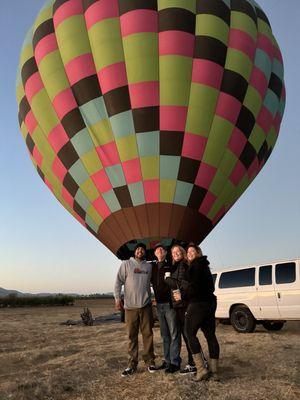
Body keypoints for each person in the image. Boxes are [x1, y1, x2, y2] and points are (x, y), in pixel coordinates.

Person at [114, 243, 156, 377]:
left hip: (145, 306)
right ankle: (132, 364)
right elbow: (118, 282)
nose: (140, 251)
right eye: (138, 249)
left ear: (145, 252)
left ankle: (150, 362)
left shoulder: (149, 266)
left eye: (142, 249)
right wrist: (117, 298)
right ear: (134, 251)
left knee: (148, 335)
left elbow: (156, 282)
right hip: (130, 307)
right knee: (132, 337)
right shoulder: (126, 264)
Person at [182, 243, 220, 381]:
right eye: (188, 251)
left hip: (198, 304)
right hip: (210, 303)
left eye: (193, 250)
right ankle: (215, 371)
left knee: (189, 333)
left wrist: (183, 295)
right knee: (210, 336)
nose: (190, 253)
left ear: (198, 252)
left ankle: (201, 369)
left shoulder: (195, 266)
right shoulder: (205, 266)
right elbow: (210, 287)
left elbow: (194, 288)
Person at [164, 245, 196, 374]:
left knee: (188, 334)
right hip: (178, 305)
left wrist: (168, 279)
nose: (176, 253)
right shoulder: (176, 266)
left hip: (184, 304)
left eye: (178, 251)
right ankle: (194, 361)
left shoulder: (183, 265)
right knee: (185, 334)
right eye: (173, 252)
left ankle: (194, 362)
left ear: (182, 253)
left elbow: (181, 284)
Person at [151, 243, 181, 373]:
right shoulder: (152, 267)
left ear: (165, 253)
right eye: (157, 249)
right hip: (159, 305)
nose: (159, 250)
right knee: (165, 335)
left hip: (169, 304)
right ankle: (167, 360)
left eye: (162, 249)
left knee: (174, 333)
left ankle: (175, 362)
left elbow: (176, 282)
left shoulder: (171, 265)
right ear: (155, 253)